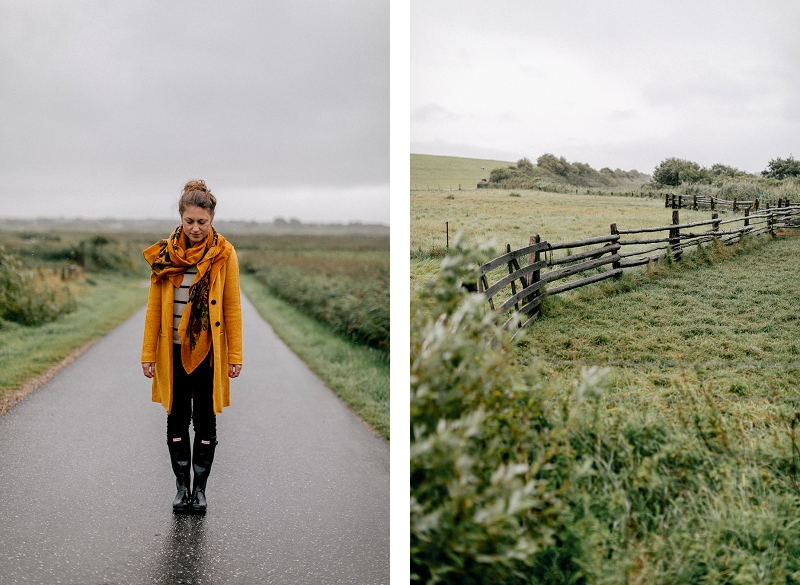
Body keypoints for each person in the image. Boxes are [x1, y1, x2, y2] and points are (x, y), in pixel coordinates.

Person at [140, 179, 243, 514]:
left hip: (208, 351)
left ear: (212, 219)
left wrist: (236, 355)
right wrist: (147, 354)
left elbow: (231, 307)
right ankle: (181, 487)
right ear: (181, 218)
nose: (196, 228)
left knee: (205, 420)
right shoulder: (164, 256)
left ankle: (199, 490)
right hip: (171, 349)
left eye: (203, 222)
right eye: (190, 221)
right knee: (176, 417)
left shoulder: (224, 255)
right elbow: (155, 307)